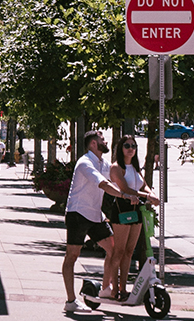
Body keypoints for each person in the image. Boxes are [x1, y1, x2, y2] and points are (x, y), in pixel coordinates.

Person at [62, 130, 139, 313]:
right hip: (78, 214)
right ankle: (71, 301)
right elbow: (103, 184)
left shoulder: (104, 163)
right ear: (93, 144)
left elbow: (115, 178)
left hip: (95, 216)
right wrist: (124, 195)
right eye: (102, 139)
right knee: (72, 256)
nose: (105, 141)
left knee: (114, 250)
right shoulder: (85, 163)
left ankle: (105, 290)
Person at [106, 136, 159, 301]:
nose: (130, 148)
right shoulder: (116, 168)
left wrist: (151, 194)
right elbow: (125, 188)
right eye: (127, 145)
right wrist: (147, 196)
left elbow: (143, 185)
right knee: (119, 251)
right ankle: (114, 289)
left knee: (130, 251)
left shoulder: (135, 167)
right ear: (120, 148)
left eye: (133, 146)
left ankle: (123, 288)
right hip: (122, 209)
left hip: (136, 210)